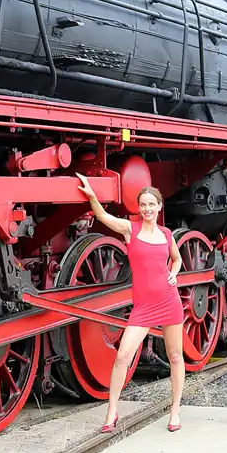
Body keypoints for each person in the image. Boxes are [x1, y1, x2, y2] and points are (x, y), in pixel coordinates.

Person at [76, 173, 185, 433]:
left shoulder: (167, 234)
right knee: (122, 356)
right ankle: (111, 412)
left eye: (151, 204)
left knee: (175, 356)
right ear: (139, 208)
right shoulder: (130, 229)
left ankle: (175, 413)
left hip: (169, 301)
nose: (147, 209)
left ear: (159, 207)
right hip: (143, 307)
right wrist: (92, 196)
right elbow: (103, 217)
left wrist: (174, 273)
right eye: (143, 205)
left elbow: (177, 259)